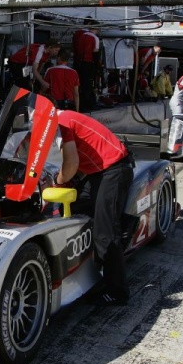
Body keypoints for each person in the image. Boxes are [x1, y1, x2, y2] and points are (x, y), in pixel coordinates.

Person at [54, 110, 134, 305]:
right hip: (101, 172)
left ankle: (117, 292)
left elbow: (71, 164)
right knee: (75, 205)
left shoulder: (62, 122)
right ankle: (117, 232)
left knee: (105, 233)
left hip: (114, 170)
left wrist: (58, 181)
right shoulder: (64, 118)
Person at [72, 23, 102, 110]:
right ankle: (88, 105)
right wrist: (97, 68)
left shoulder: (81, 36)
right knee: (88, 85)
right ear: (97, 29)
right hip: (89, 64)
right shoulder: (94, 38)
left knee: (81, 84)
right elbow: (95, 53)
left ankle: (81, 104)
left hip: (79, 63)